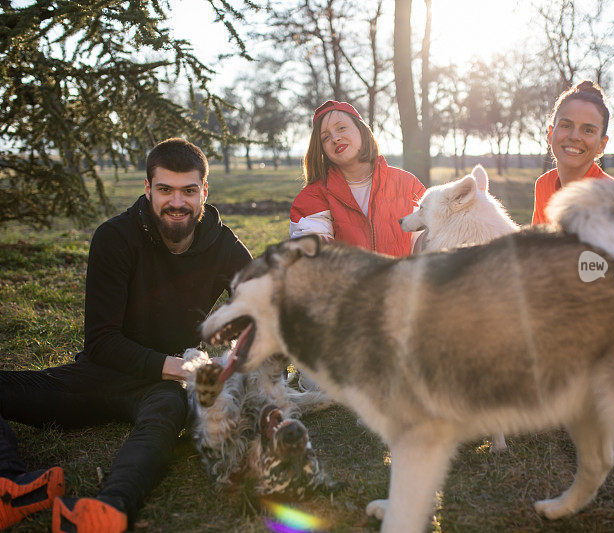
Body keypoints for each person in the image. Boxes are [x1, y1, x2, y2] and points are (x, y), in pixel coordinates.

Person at [0, 138, 252, 531]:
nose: (177, 202)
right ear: (148, 189)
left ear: (204, 192)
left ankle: (109, 508)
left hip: (160, 389)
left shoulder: (225, 246)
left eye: (188, 190)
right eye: (165, 189)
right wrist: (179, 367)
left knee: (166, 416)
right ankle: (12, 487)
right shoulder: (115, 237)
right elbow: (101, 342)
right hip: (97, 375)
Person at [290, 100, 425, 257]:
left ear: (361, 130)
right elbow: (316, 260)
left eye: (341, 128)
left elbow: (426, 241)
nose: (335, 138)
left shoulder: (407, 184)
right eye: (325, 138)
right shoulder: (311, 198)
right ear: (322, 150)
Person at [531, 80, 614, 225]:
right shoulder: (543, 184)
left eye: (588, 130)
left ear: (601, 145)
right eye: (566, 125)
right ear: (550, 134)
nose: (574, 136)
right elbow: (536, 245)